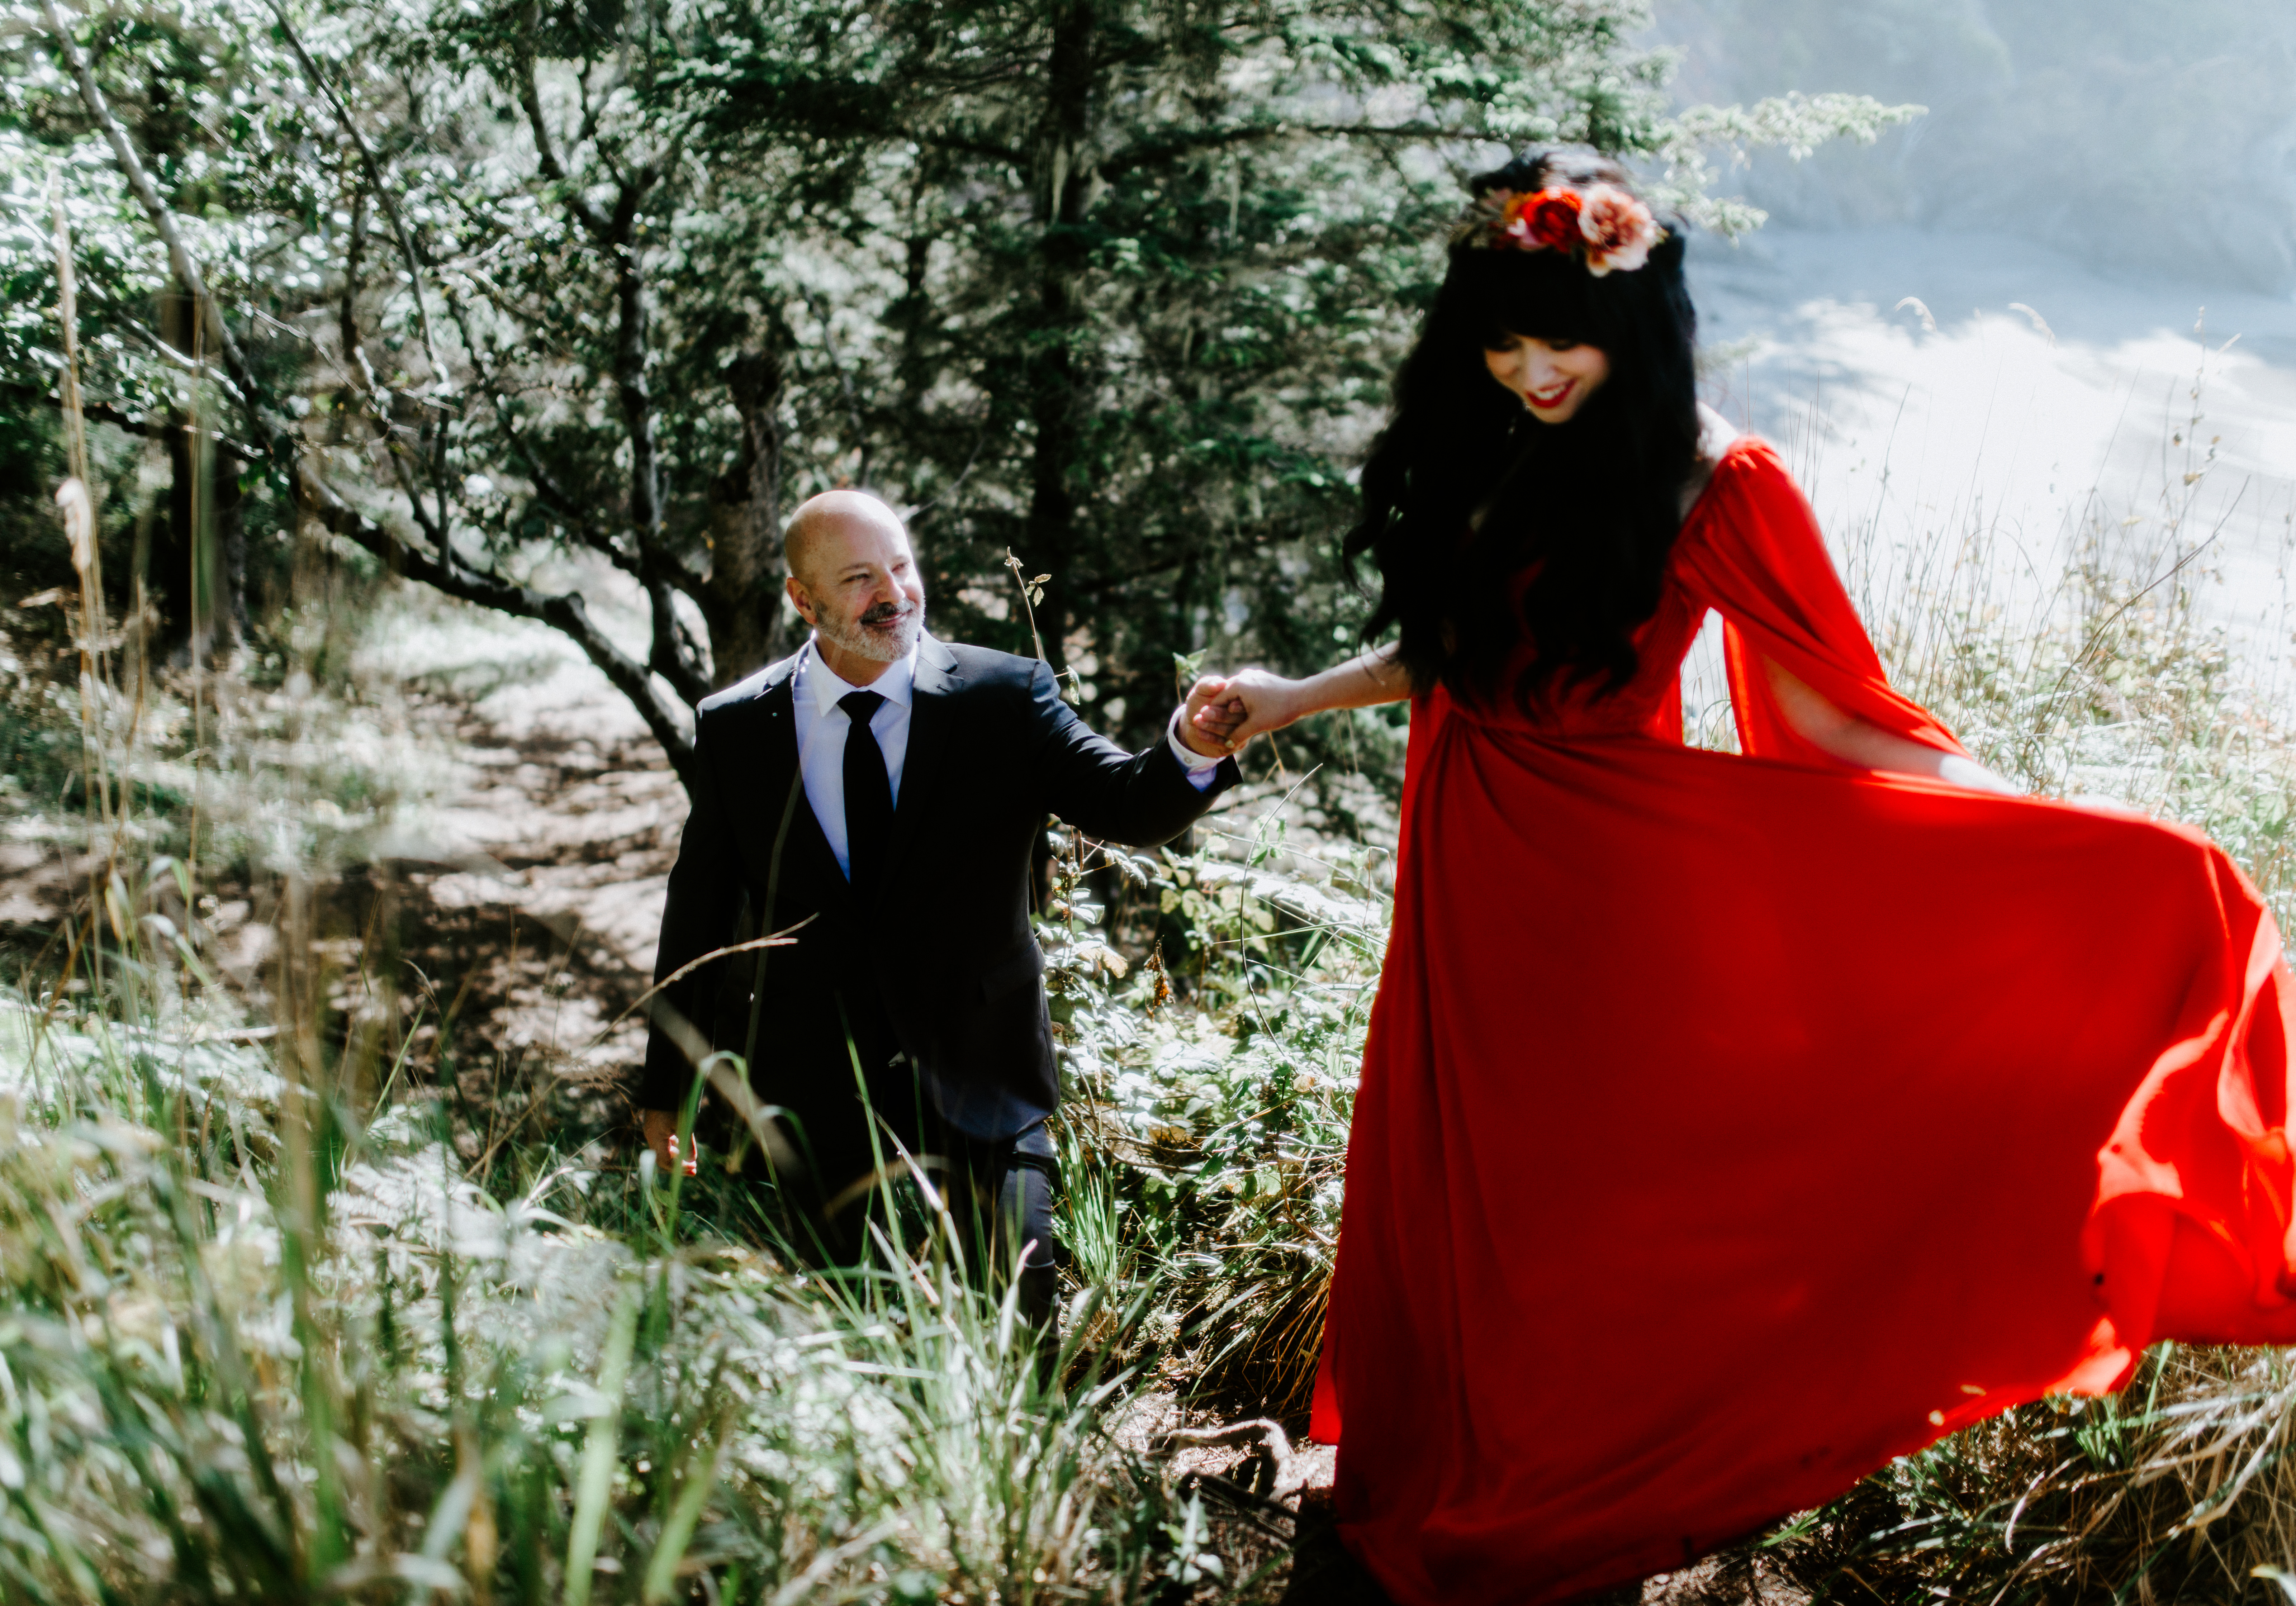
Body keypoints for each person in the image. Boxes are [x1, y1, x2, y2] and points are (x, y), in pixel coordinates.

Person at [1189, 148, 2296, 1605]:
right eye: (1504, 342)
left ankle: (1567, 1513)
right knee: (1460, 1193)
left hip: (1605, 889)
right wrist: (1288, 694)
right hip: (1465, 866)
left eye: (1561, 341)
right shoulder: (1506, 434)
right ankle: (1446, 1473)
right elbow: (1458, 652)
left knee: (1578, 1219)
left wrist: (2036, 824)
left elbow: (1833, 715)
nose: (1532, 370)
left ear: (1636, 327)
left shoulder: (1717, 478)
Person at [638, 490, 1240, 1316]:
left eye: (900, 565)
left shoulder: (1005, 695)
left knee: (1018, 1331)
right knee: (863, 1352)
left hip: (986, 1086)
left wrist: (1191, 749)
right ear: (801, 599)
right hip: (819, 1106)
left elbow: (1126, 801)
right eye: (858, 578)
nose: (893, 593)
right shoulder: (739, 727)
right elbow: (700, 915)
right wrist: (667, 1087)